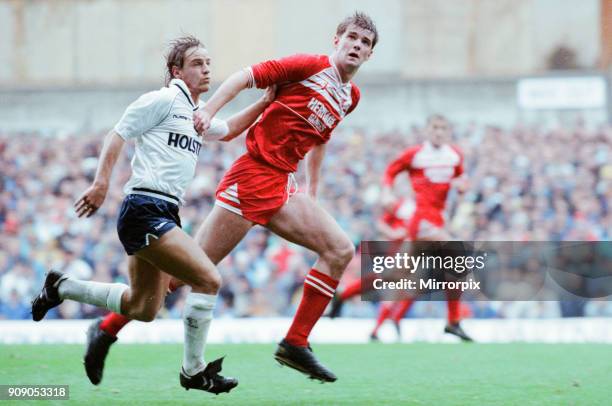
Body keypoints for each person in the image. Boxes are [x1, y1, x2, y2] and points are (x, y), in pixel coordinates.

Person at [31, 36, 276, 393]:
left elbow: (230, 130)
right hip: (144, 209)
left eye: (208, 63)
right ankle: (193, 371)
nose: (206, 69)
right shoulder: (162, 101)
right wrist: (101, 184)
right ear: (177, 71)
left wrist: (266, 102)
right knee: (208, 279)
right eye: (197, 63)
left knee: (143, 307)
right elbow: (117, 134)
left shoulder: (198, 112)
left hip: (162, 212)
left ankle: (62, 287)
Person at [187, 11, 377, 382]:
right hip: (253, 177)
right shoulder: (308, 66)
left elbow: (320, 137)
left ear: (369, 55)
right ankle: (108, 325)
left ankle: (296, 343)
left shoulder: (350, 96)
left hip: (282, 185)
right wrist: (208, 110)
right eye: (352, 37)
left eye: (365, 42)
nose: (357, 45)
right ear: (336, 39)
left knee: (340, 250)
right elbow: (247, 76)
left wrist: (313, 191)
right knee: (188, 273)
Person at [332, 115, 474, 342]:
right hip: (422, 221)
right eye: (434, 128)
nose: (438, 132)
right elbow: (390, 171)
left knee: (393, 276)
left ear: (448, 132)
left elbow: (461, 178)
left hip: (436, 222)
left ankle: (343, 295)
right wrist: (387, 190)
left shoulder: (454, 155)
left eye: (443, 128)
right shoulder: (415, 154)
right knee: (457, 253)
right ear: (428, 131)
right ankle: (453, 321)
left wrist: (463, 186)